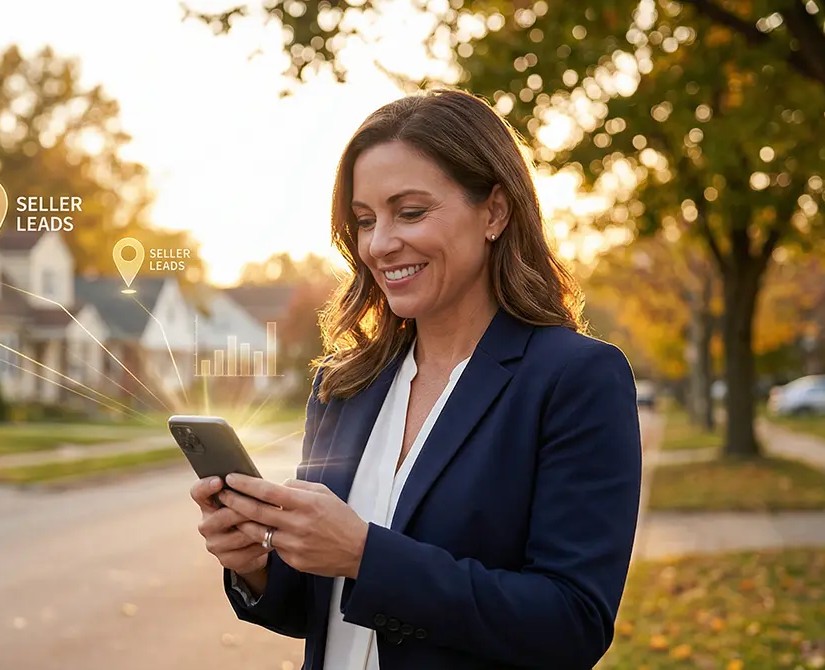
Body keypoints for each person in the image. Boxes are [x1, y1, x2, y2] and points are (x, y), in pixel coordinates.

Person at [191, 88, 642, 670]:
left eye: (410, 212)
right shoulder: (344, 385)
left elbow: (571, 623)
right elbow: (318, 611)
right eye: (364, 220)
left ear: (495, 212)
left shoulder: (575, 379)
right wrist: (254, 564)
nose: (380, 244)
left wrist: (365, 555)